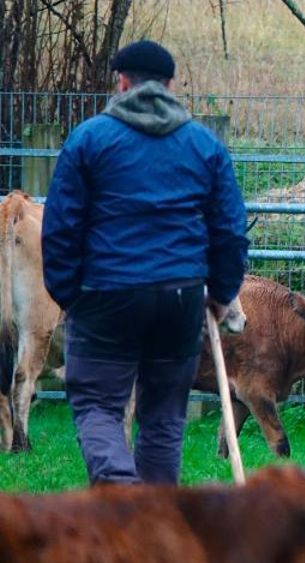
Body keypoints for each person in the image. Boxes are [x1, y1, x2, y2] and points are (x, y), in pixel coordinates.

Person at [41, 40, 248, 485]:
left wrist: (69, 293)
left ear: (121, 82)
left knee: (97, 405)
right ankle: (152, 527)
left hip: (105, 292)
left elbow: (60, 227)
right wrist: (221, 291)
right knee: (164, 417)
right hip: (180, 295)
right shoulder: (203, 145)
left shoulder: (89, 139)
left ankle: (121, 495)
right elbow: (230, 229)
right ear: (171, 86)